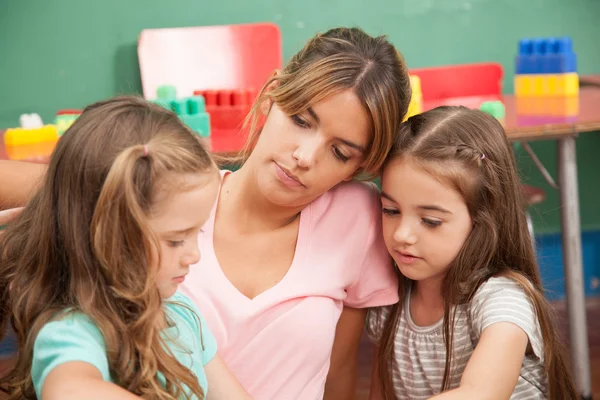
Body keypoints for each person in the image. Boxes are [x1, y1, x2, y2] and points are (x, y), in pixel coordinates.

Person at [0, 27, 413, 399]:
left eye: (340, 152)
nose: (305, 157)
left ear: (358, 167)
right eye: (301, 120)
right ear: (271, 96)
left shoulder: (358, 218)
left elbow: (338, 376)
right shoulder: (169, 193)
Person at [0, 96, 251, 400]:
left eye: (197, 232)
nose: (194, 255)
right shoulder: (71, 331)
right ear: (108, 237)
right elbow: (68, 390)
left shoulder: (183, 315)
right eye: (175, 240)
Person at [367, 106, 578, 400]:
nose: (402, 234)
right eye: (390, 210)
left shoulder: (503, 300)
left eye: (430, 221)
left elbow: (482, 393)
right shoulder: (388, 302)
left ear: (481, 220)